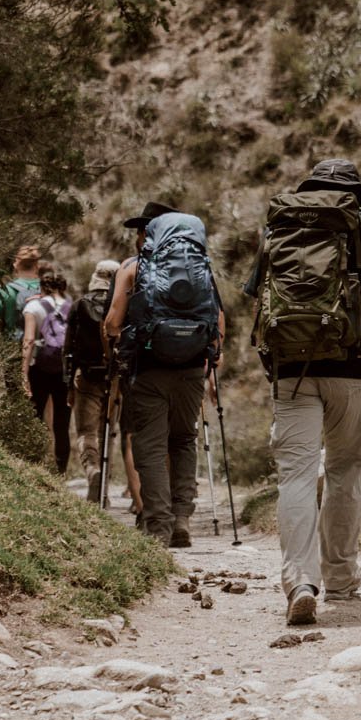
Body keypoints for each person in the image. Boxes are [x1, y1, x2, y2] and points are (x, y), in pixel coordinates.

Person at [245, 158, 361, 627]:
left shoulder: (282, 223)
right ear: (356, 190)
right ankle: (342, 580)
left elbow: (259, 293)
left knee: (296, 475)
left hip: (292, 368)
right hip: (349, 365)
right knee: (345, 470)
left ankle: (301, 582)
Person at [105, 202, 225, 549]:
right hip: (191, 370)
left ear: (150, 233)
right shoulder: (202, 268)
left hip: (149, 370)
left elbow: (113, 323)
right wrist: (208, 361)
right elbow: (218, 322)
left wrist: (119, 344)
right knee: (184, 440)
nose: (138, 236)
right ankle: (182, 518)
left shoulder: (132, 269)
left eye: (141, 230)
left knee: (151, 446)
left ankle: (159, 525)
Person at [65, 258, 119, 502]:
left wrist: (68, 384)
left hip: (85, 377)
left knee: (86, 432)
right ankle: (104, 489)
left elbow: (68, 349)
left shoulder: (79, 305)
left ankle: (92, 471)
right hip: (115, 377)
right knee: (109, 431)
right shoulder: (123, 306)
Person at [21, 267, 73, 473]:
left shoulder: (33, 306)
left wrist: (23, 372)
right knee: (62, 424)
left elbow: (29, 339)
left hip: (39, 369)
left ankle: (34, 466)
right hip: (64, 369)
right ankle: (61, 473)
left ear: (41, 286)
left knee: (35, 418)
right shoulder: (72, 306)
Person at [0, 244, 41, 339]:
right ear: (38, 265)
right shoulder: (49, 290)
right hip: (44, 348)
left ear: (15, 265)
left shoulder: (5, 291)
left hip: (13, 346)